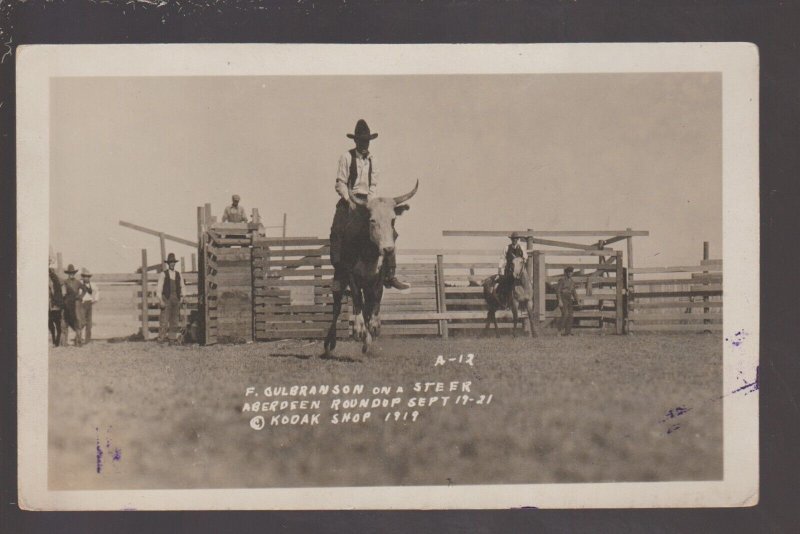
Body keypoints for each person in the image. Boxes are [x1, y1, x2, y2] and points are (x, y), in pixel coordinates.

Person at [329, 119, 409, 290]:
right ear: (355, 141)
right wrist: (349, 200)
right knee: (337, 231)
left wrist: (373, 205)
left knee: (391, 232)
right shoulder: (346, 157)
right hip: (349, 200)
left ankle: (390, 274)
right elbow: (340, 183)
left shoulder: (374, 160)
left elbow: (373, 186)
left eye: (367, 141)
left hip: (369, 202)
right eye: (361, 141)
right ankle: (339, 274)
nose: (364, 144)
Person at [156, 253, 184, 344]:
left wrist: (182, 297)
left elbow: (182, 286)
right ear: (168, 263)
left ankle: (172, 339)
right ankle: (161, 339)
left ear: (175, 263)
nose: (172, 264)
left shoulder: (178, 274)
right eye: (170, 262)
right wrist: (160, 300)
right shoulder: (163, 274)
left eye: (173, 262)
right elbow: (159, 288)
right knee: (164, 320)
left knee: (174, 320)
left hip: (176, 299)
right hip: (166, 299)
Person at [496, 232, 528, 302]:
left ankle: (527, 297)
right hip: (509, 270)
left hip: (519, 270)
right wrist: (500, 267)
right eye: (513, 239)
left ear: (518, 239)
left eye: (516, 239)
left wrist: (522, 260)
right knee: (506, 283)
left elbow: (525, 257)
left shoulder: (521, 248)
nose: (514, 240)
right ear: (511, 240)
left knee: (527, 282)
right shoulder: (507, 248)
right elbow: (502, 258)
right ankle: (505, 299)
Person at [61, 264, 84, 346]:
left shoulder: (78, 282)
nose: (71, 274)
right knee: (65, 322)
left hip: (76, 304)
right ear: (68, 274)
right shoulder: (65, 282)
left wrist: (80, 297)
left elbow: (84, 289)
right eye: (70, 273)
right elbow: (62, 292)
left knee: (77, 322)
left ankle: (78, 342)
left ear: (74, 273)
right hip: (67, 304)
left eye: (72, 273)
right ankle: (64, 343)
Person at [556, 266, 579, 336]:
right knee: (565, 314)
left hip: (569, 299)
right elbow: (558, 291)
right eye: (568, 272)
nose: (570, 273)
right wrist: (559, 300)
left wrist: (577, 300)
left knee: (571, 315)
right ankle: (559, 331)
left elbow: (574, 292)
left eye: (571, 272)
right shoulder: (562, 280)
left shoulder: (572, 282)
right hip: (563, 298)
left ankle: (567, 332)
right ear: (566, 273)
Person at [79, 268, 100, 343]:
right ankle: (79, 338)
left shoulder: (92, 285)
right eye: (85, 276)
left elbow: (97, 291)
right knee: (82, 322)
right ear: (83, 277)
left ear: (89, 277)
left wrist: (95, 300)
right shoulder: (80, 284)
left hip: (89, 304)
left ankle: (87, 340)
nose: (86, 278)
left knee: (89, 323)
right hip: (82, 304)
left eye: (88, 276)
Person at [48, 259, 64, 347]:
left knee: (55, 325)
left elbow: (56, 290)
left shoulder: (54, 277)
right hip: (52, 305)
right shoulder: (54, 277)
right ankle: (55, 342)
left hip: (54, 305)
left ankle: (56, 342)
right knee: (52, 325)